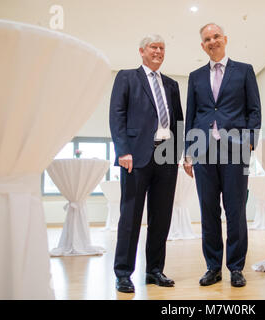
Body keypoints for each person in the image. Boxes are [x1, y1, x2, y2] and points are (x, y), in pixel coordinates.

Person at [183, 23, 261, 287]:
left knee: (235, 209)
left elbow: (254, 110)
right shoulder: (195, 76)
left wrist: (250, 143)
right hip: (204, 151)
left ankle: (236, 267)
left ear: (225, 39)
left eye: (216, 36)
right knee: (208, 211)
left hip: (235, 150)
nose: (212, 41)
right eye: (207, 39)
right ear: (202, 45)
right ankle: (213, 267)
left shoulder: (245, 71)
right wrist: (188, 153)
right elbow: (191, 115)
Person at [110, 34, 184, 293]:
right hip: (136, 157)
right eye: (154, 47)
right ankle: (123, 273)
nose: (158, 51)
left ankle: (154, 270)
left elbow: (178, 122)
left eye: (162, 48)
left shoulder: (172, 84)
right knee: (130, 216)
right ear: (141, 51)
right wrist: (123, 150)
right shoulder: (127, 77)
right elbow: (117, 114)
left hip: (166, 157)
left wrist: (178, 154)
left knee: (161, 217)